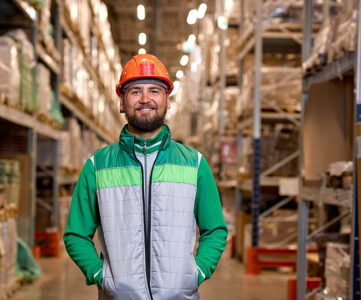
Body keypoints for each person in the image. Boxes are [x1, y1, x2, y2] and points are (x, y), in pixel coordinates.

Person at [63, 54, 228, 300]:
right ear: (122, 101)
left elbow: (215, 229)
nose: (145, 99)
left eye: (154, 91)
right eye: (135, 91)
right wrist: (101, 276)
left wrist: (196, 272)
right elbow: (76, 234)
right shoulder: (97, 166)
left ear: (167, 100)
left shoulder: (195, 164)